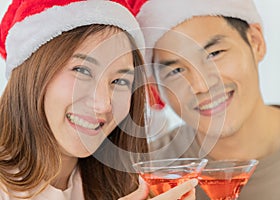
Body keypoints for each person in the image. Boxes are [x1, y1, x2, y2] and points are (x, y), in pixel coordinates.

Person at [0, 0, 199, 199]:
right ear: (33, 72)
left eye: (120, 81)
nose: (103, 104)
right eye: (82, 70)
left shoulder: (126, 186)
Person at [135, 0, 280, 199]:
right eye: (176, 70)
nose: (201, 86)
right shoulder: (142, 177)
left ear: (256, 42)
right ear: (154, 86)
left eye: (214, 54)